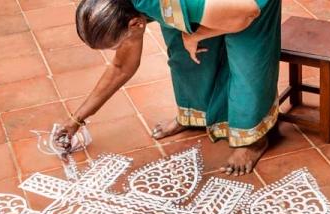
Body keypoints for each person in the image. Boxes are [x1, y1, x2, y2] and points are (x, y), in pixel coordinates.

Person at [57, 0, 281, 176]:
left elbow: (247, 12)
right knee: (183, 50)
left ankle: (253, 140)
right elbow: (121, 66)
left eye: (117, 44)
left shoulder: (164, 4)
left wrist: (196, 34)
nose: (119, 49)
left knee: (247, 59)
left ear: (136, 24)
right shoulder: (128, 7)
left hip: (246, 4)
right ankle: (195, 115)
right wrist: (76, 119)